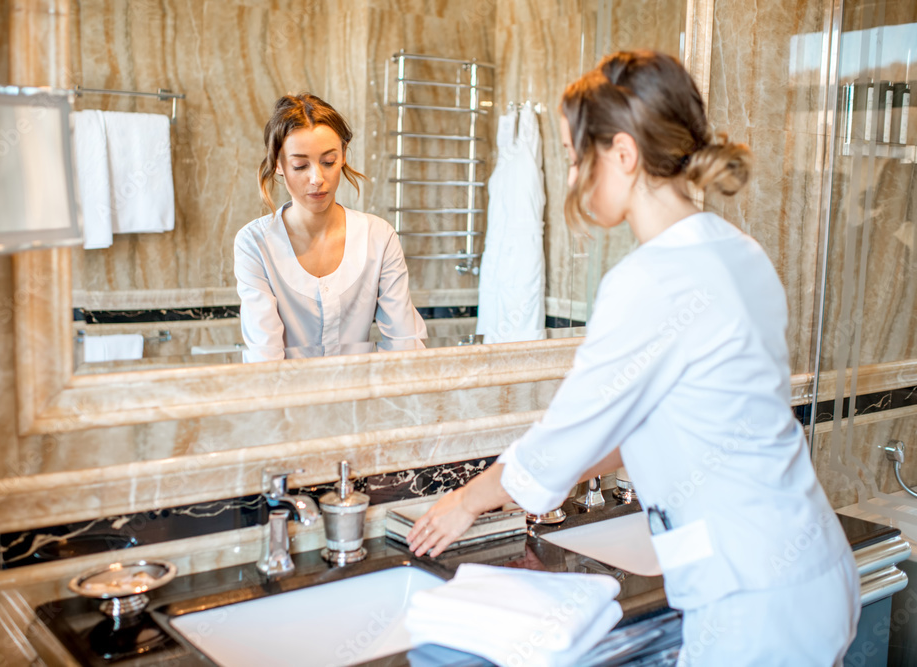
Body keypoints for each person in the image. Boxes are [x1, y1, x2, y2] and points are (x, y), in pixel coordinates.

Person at [407, 51, 860, 665]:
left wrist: (464, 501)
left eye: (574, 160)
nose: (571, 180)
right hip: (812, 567)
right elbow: (667, 422)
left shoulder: (651, 280)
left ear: (623, 153)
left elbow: (557, 448)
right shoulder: (741, 252)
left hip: (753, 601)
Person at [235, 93, 426, 362]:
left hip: (360, 399)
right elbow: (265, 356)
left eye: (328, 162)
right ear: (278, 164)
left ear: (343, 156)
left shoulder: (378, 237)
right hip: (287, 399)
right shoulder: (254, 243)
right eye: (300, 165)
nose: (317, 179)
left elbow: (406, 344)